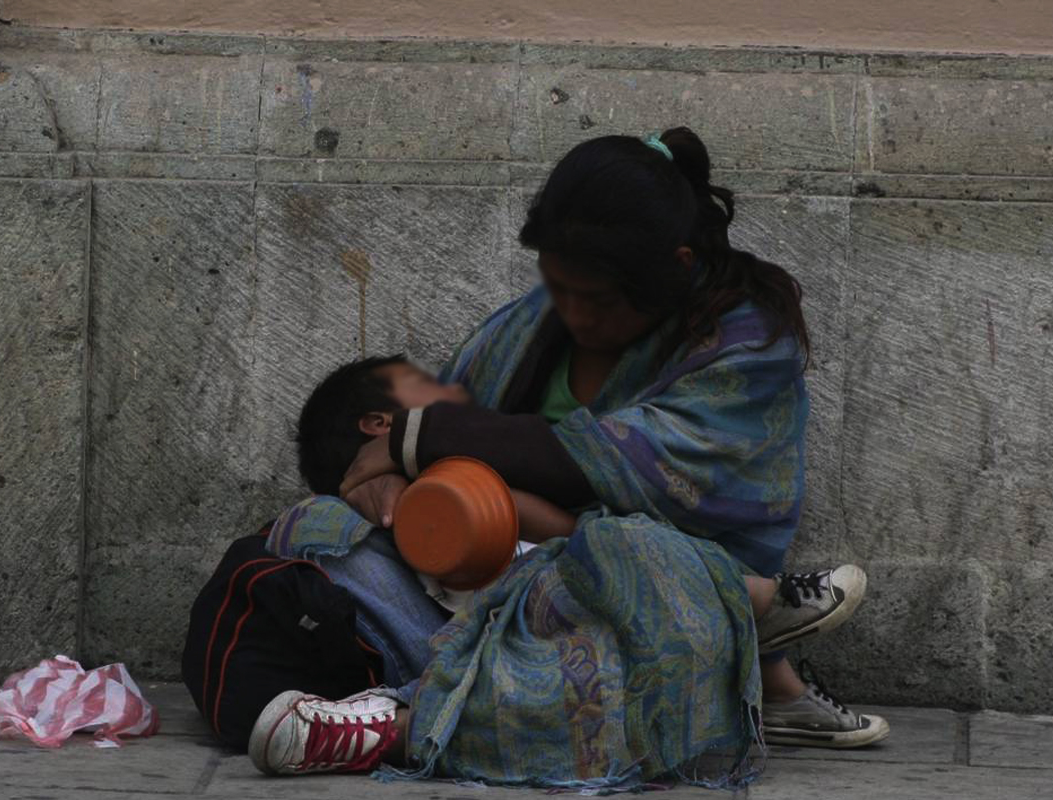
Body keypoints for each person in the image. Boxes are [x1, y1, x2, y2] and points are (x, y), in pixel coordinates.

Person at [333, 128, 889, 751]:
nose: (573, 315)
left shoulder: (747, 348)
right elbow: (449, 443)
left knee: (608, 627)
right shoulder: (530, 328)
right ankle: (762, 657)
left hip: (647, 608)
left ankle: (742, 626)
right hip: (493, 574)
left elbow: (606, 463)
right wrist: (389, 480)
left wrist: (422, 440)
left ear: (676, 268)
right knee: (318, 537)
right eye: (559, 287)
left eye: (597, 299)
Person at [247, 353, 874, 780]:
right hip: (477, 647)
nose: (456, 398)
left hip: (541, 630)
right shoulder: (371, 514)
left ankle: (763, 661)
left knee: (621, 596)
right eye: (430, 391)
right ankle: (757, 610)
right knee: (608, 632)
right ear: (382, 425)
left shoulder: (462, 481)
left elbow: (569, 540)